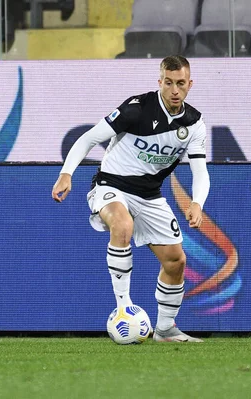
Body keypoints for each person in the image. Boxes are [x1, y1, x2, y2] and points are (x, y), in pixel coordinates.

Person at [52, 55, 209, 343]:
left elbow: (201, 172)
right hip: (111, 184)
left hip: (149, 195)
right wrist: (66, 173)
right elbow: (88, 138)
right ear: (160, 82)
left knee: (176, 261)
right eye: (169, 83)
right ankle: (124, 307)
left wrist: (197, 202)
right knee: (121, 225)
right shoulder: (136, 109)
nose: (175, 90)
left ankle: (165, 330)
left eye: (181, 84)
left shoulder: (194, 123)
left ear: (190, 84)